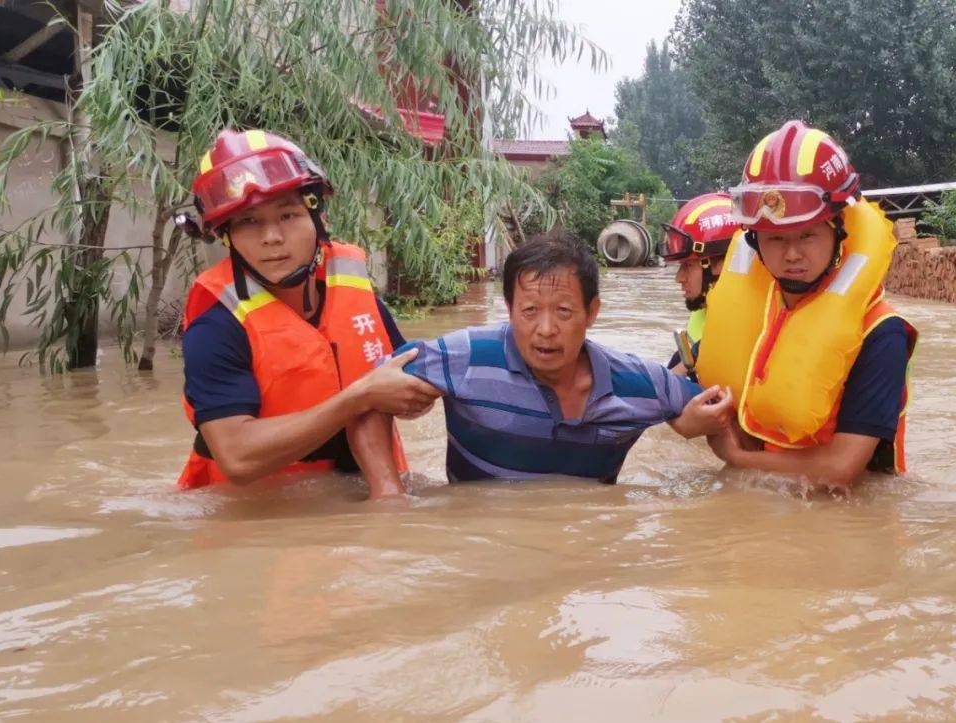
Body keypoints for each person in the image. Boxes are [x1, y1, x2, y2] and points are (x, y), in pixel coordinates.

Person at [176, 129, 439, 495]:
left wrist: (416, 395)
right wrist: (360, 397)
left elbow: (405, 389)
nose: (271, 237)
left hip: (366, 496)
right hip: (258, 523)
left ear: (319, 220)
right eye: (248, 222)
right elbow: (237, 458)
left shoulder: (354, 294)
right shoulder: (216, 326)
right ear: (227, 236)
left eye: (287, 214)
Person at [391, 230, 734, 483]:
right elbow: (374, 392)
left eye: (564, 311)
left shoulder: (638, 383)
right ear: (509, 309)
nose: (546, 329)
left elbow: (718, 411)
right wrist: (386, 491)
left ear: (592, 312)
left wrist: (688, 422)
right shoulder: (466, 356)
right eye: (529, 310)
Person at [695, 120, 917, 491]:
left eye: (808, 234)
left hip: (845, 520)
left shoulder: (882, 334)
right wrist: (683, 418)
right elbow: (683, 381)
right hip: (762, 500)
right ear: (754, 240)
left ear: (839, 231)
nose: (793, 254)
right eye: (776, 238)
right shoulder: (756, 309)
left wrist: (737, 458)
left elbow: (841, 468)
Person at [657, 192, 739, 374]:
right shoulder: (705, 311)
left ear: (722, 264)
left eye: (687, 265)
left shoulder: (751, 328)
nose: (678, 278)